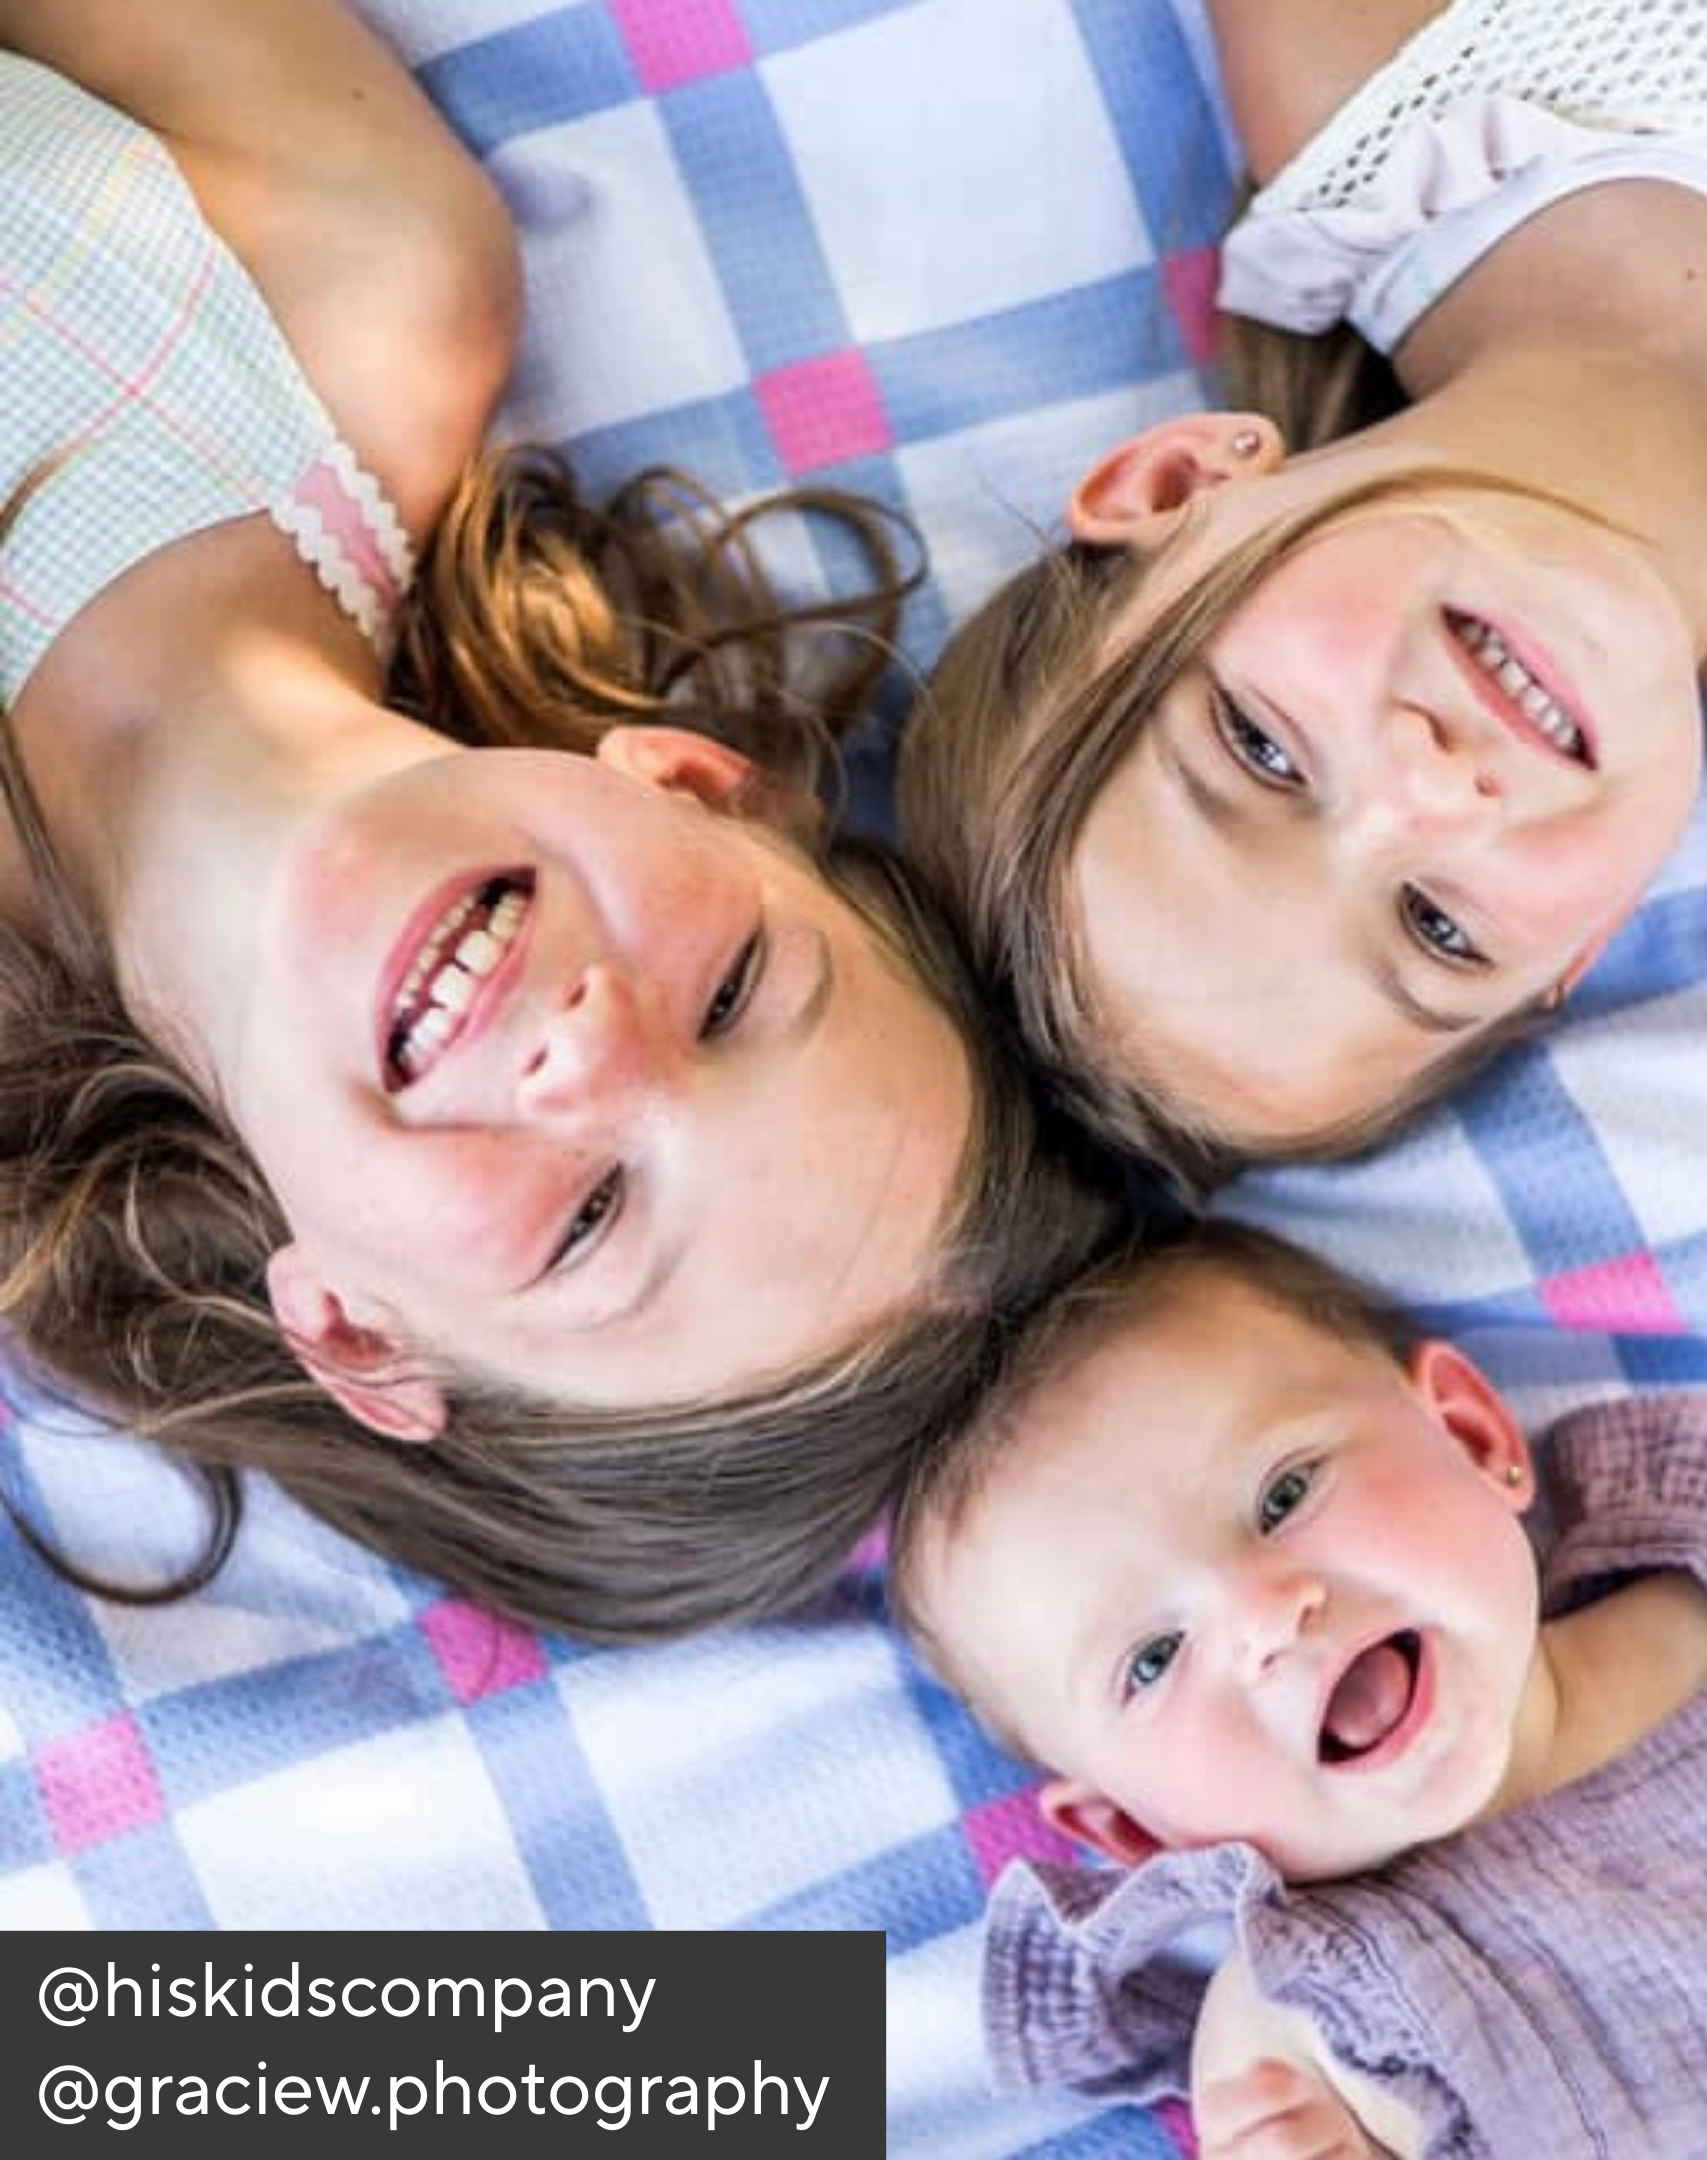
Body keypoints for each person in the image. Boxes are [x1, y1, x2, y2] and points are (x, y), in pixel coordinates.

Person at [0, 0, 1119, 1639]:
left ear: (359, 1334)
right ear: (693, 783)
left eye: (592, 1219)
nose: (594, 1054)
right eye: (734, 994)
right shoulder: (369, 278)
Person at [897, 0, 1707, 1191]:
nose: (1433, 789)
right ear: (1580, 949)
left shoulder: (1385, 60)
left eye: (1261, 748)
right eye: (1440, 929)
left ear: (1175, 483)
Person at [889, 1223, 1707, 2157]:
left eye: (1284, 1497)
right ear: (1130, 1831)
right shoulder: (1302, 1998)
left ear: (1474, 1437)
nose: (1268, 1621)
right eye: (1152, 1660)